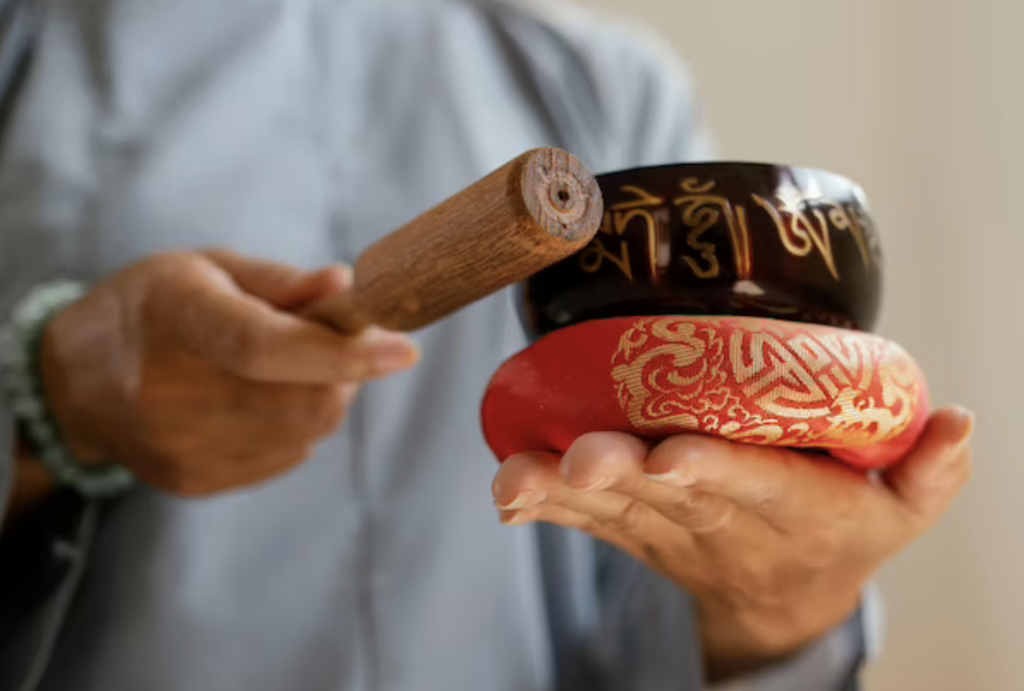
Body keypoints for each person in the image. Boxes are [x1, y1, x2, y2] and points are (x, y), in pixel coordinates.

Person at [0, 0, 974, 690]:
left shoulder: (607, 88)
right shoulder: (28, 48)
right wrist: (47, 409)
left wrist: (775, 620)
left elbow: (641, 614)